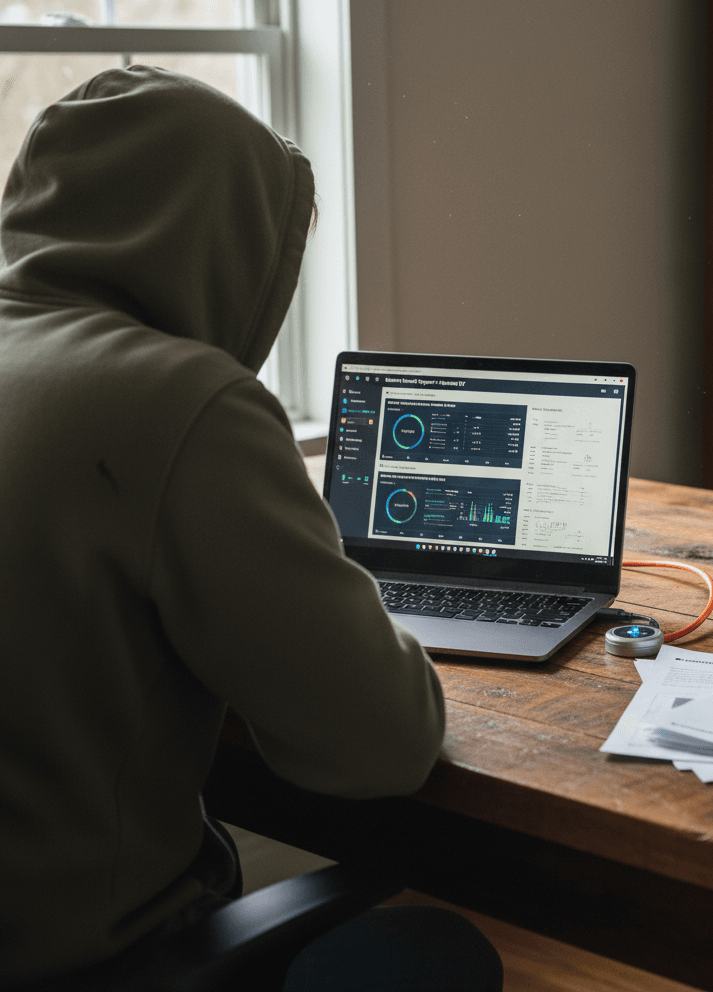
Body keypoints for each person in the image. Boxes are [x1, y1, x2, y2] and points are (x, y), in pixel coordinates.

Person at [0, 65, 502, 991]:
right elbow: (381, 746)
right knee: (442, 951)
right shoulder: (184, 400)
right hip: (83, 958)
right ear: (224, 247)